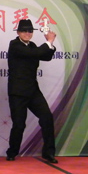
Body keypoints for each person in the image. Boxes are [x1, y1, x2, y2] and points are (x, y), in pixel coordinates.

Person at [6, 19, 58, 163]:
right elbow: (33, 53)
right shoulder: (14, 45)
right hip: (17, 92)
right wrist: (48, 42)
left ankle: (49, 152)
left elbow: (46, 56)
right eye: (24, 31)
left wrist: (50, 44)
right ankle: (12, 152)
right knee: (19, 124)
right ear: (18, 32)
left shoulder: (33, 45)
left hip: (33, 90)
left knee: (47, 117)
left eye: (30, 31)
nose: (27, 33)